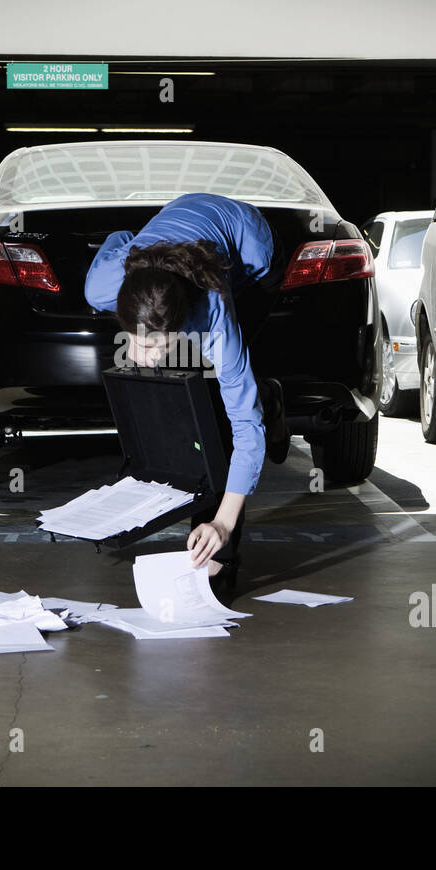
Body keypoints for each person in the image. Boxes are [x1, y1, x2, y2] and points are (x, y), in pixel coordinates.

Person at [84, 193, 290, 590]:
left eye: (157, 347)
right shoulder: (102, 286)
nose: (145, 359)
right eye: (139, 345)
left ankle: (220, 558)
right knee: (195, 384)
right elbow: (120, 236)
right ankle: (266, 395)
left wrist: (223, 524)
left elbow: (246, 428)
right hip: (168, 241)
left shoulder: (214, 319)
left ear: (182, 327)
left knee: (222, 404)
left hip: (252, 256)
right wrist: (137, 246)